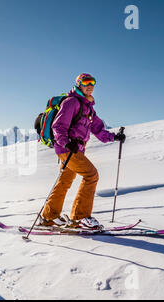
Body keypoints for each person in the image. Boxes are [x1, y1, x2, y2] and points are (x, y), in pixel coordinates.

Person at [40, 73, 126, 228]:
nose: (90, 86)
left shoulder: (88, 109)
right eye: (86, 83)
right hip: (68, 149)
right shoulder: (72, 102)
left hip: (76, 149)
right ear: (79, 84)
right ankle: (80, 217)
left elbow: (99, 129)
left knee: (64, 181)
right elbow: (58, 126)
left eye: (93, 83)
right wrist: (66, 143)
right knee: (91, 175)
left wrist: (114, 137)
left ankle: (48, 217)